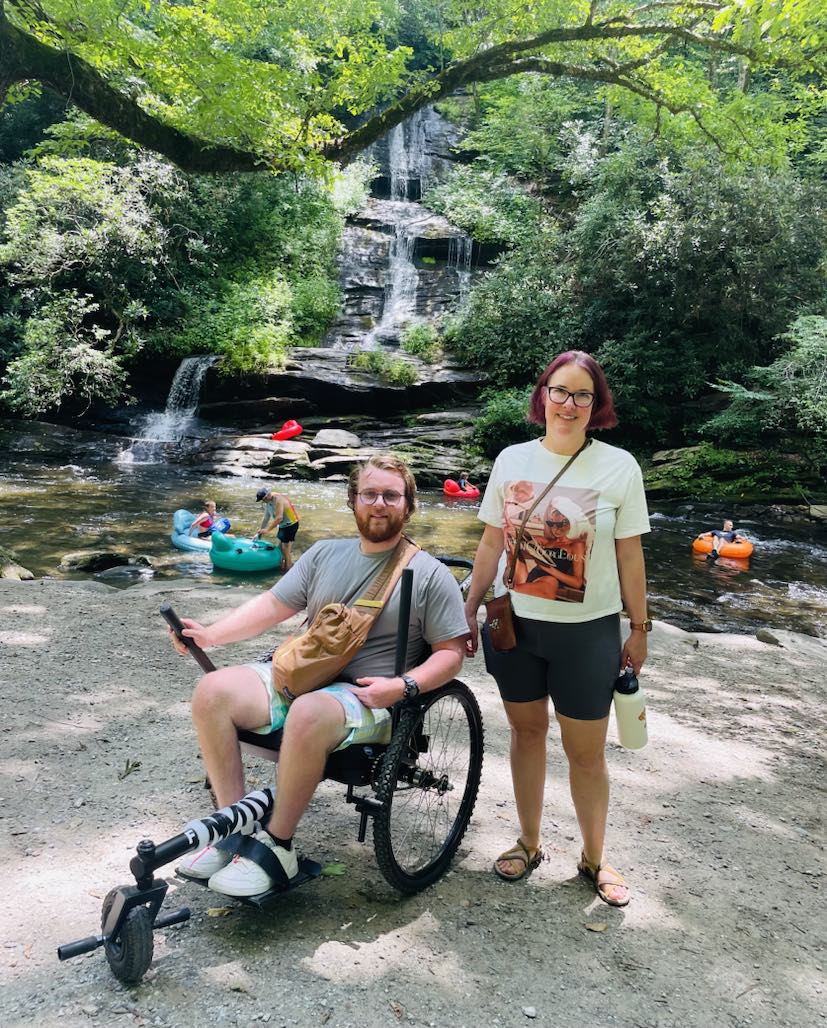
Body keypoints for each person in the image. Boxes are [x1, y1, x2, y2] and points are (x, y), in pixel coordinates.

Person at [170, 454, 468, 897]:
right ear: (353, 500)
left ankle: (279, 845)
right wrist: (210, 635)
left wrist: (402, 686)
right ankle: (235, 831)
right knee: (212, 691)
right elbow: (272, 607)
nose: (379, 504)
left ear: (408, 506)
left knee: (309, 711)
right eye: (370, 494)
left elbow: (452, 654)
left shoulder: (429, 574)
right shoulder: (325, 553)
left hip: (371, 697)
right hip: (303, 674)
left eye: (391, 495)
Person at [463, 350, 651, 907]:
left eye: (583, 395)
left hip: (588, 632)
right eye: (560, 391)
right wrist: (468, 607)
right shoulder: (511, 460)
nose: (569, 404)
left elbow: (631, 557)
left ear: (597, 407)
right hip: (515, 627)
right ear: (543, 394)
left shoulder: (620, 468)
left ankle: (594, 856)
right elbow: (492, 543)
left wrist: (638, 627)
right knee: (525, 734)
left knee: (586, 753)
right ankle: (529, 841)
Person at [253, 488, 300, 571]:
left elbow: (279, 518)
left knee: (286, 549)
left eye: (263, 499)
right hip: (283, 526)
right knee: (281, 548)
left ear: (267, 496)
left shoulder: (278, 499)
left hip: (290, 525)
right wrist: (259, 533)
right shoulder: (268, 502)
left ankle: (288, 569)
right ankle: (285, 566)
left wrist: (267, 530)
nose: (263, 502)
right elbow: (266, 518)